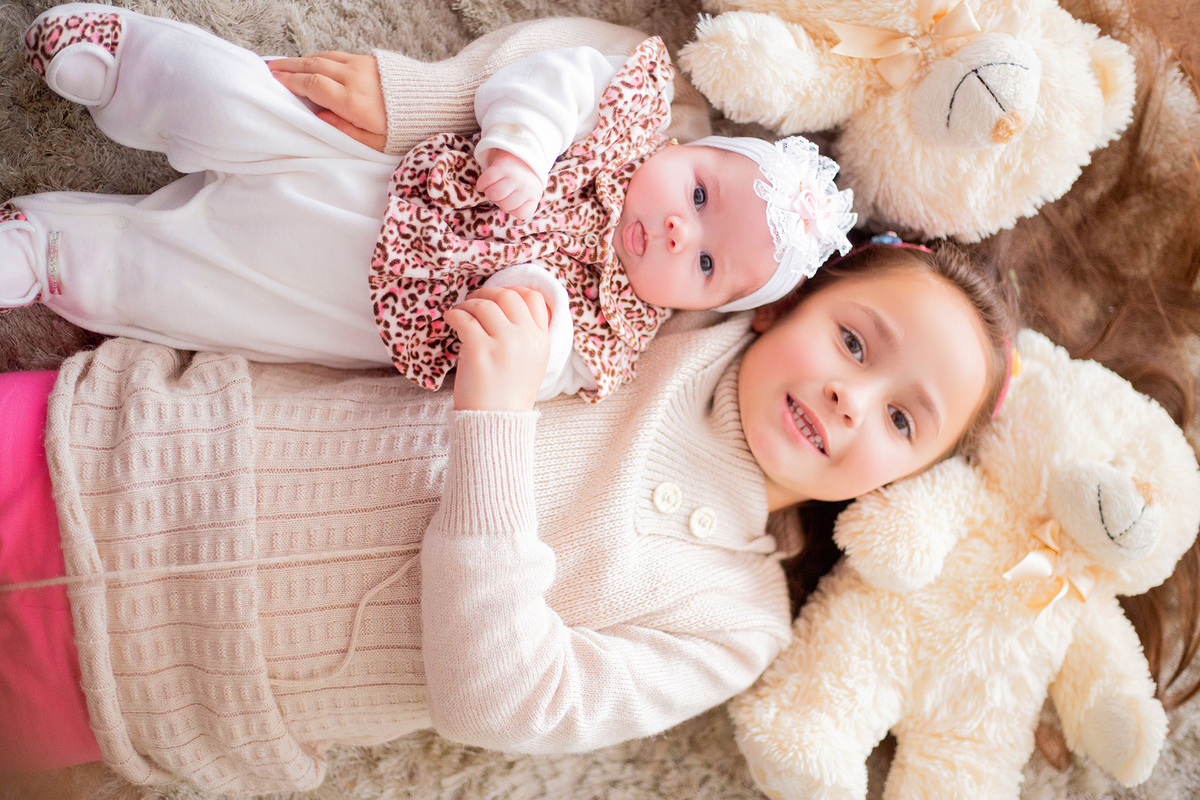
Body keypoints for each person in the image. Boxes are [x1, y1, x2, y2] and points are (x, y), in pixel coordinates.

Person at [0, 236, 1017, 791]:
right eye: (852, 339)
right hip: (111, 446)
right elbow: (614, 86)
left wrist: (495, 419)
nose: (852, 395)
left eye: (899, 416)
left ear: (892, 486)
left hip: (138, 680)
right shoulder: (655, 300)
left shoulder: (734, 621)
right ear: (782, 300)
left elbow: (503, 700)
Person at [1, 4, 856, 402]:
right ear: (684, 147)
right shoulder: (625, 118)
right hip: (380, 170)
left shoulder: (611, 335)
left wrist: (532, 331)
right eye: (700, 193)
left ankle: (45, 252)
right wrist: (522, 139)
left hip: (341, 306)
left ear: (700, 306)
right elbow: (552, 73)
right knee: (254, 101)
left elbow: (538, 369)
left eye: (705, 262)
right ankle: (132, 68)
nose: (678, 228)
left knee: (184, 292)